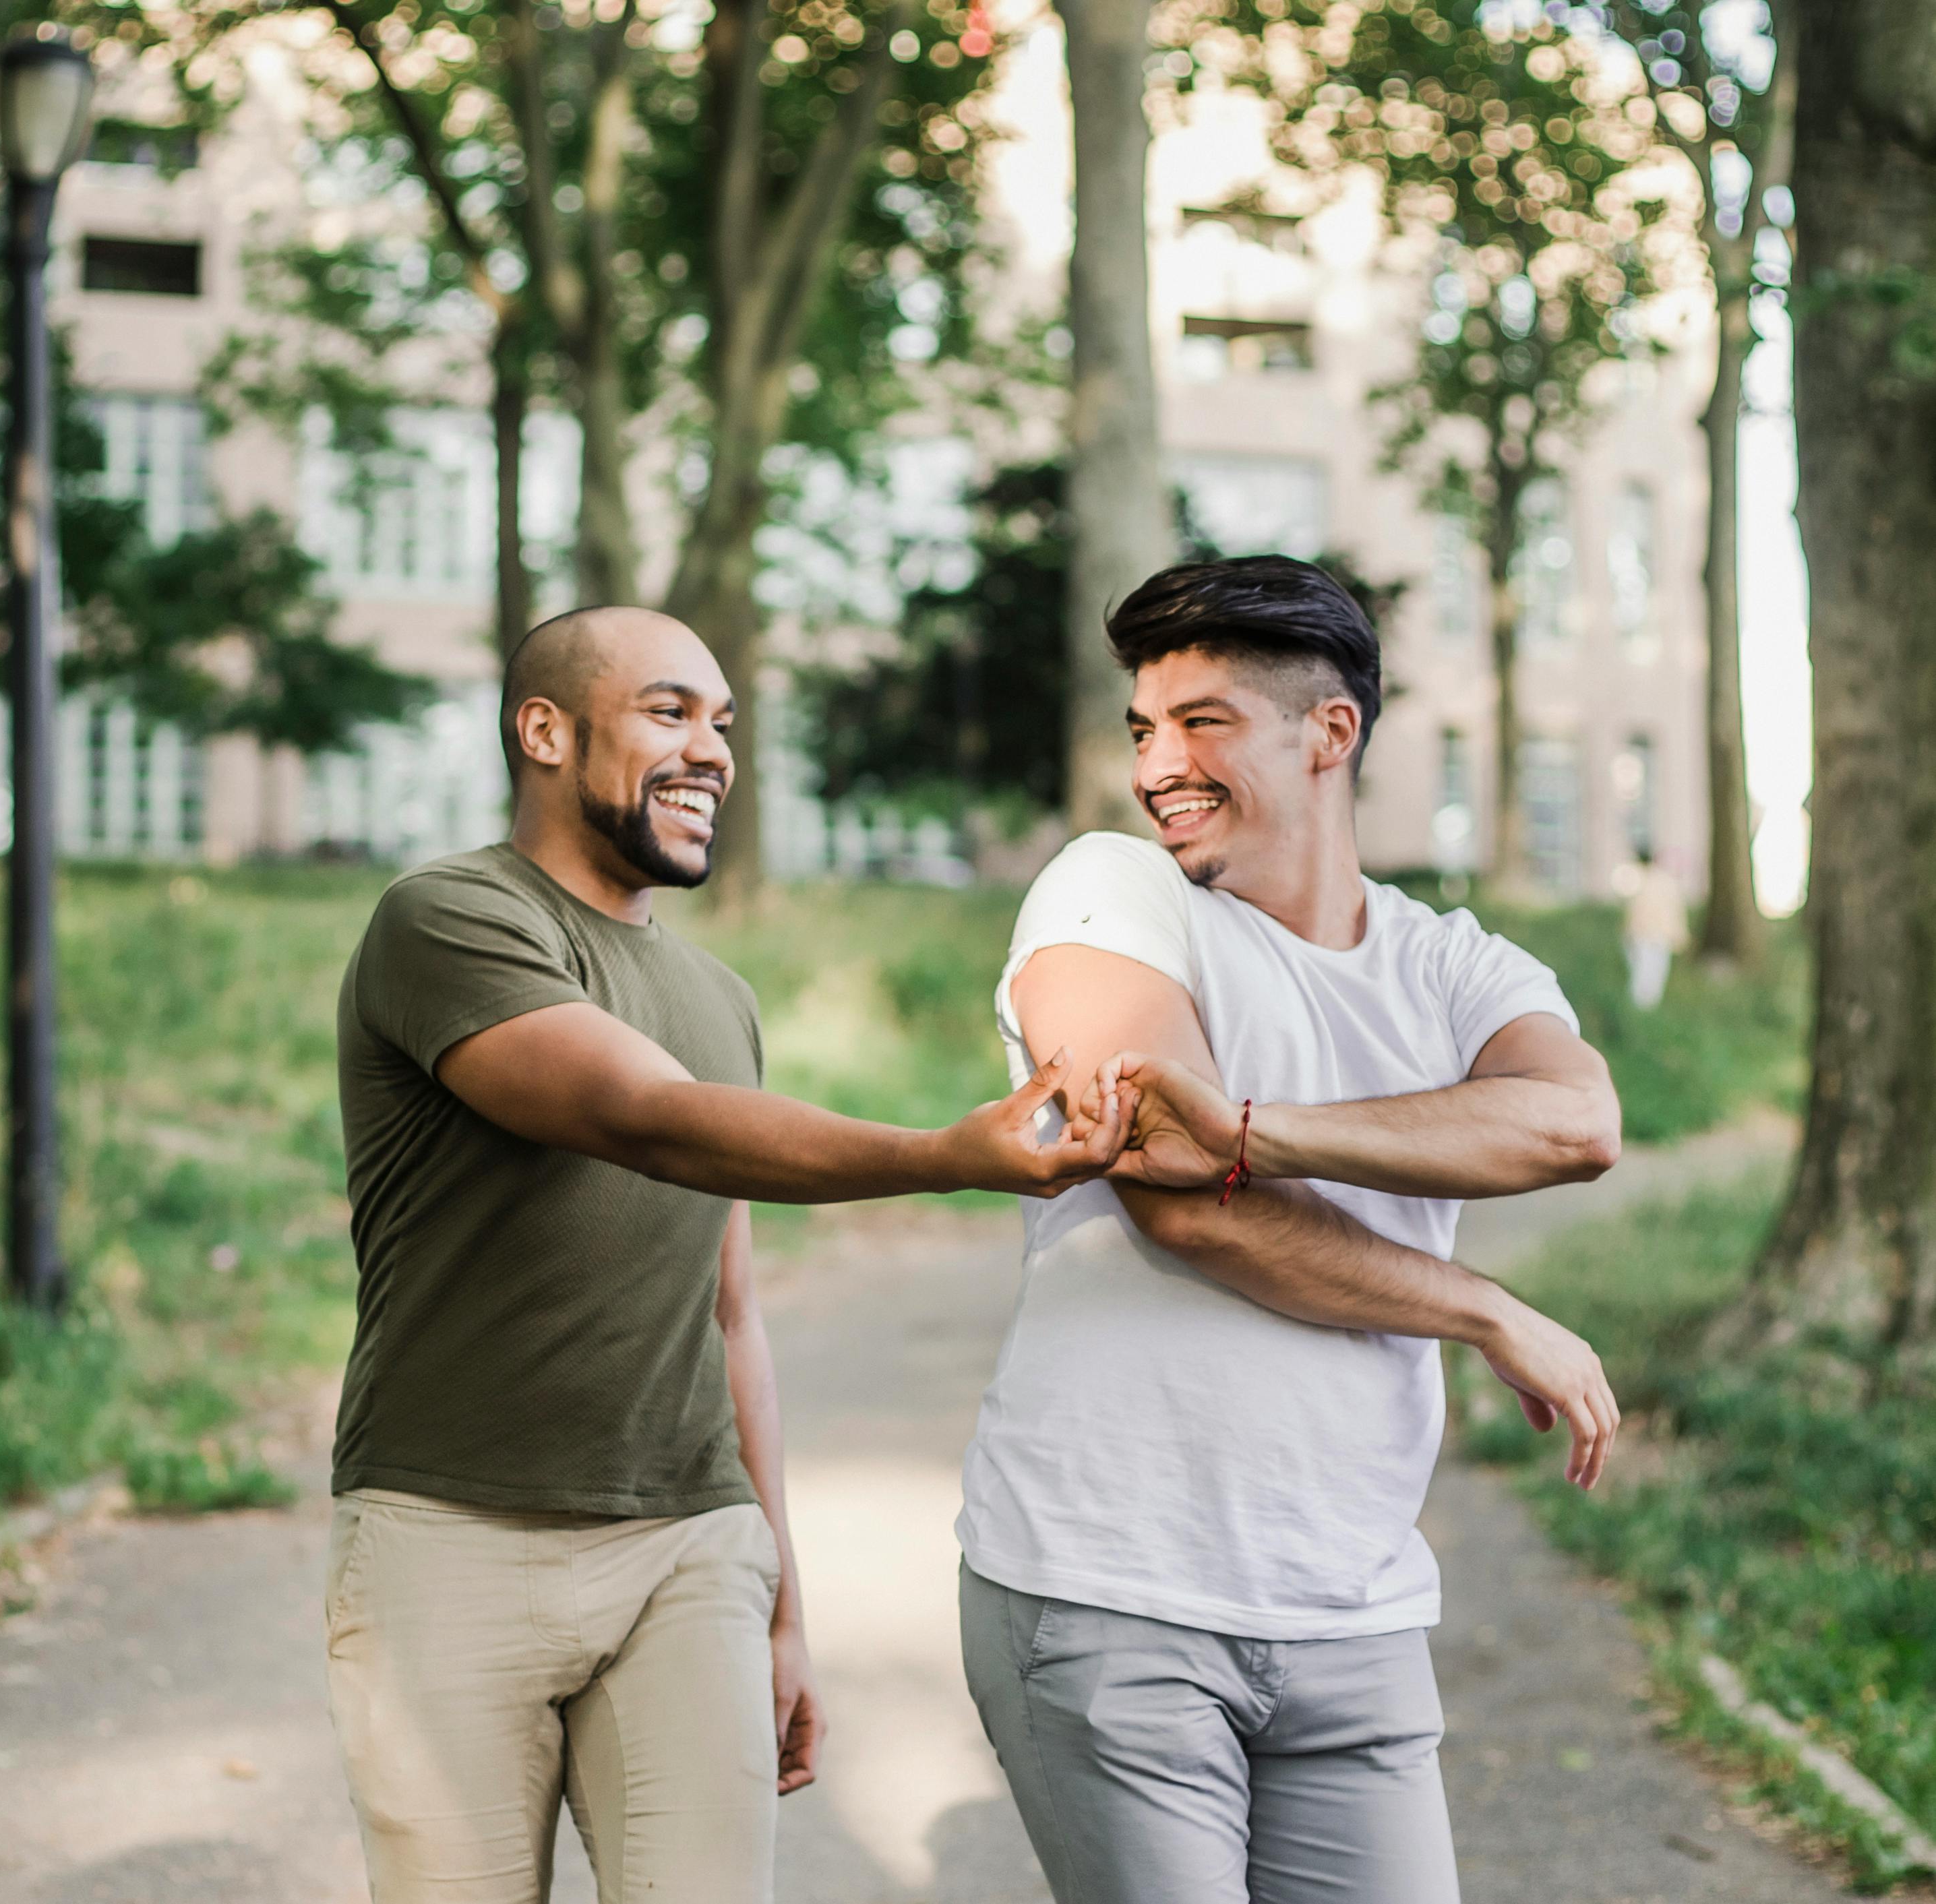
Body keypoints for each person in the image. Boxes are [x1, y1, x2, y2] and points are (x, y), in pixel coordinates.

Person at [327, 605, 1131, 1904]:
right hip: (447, 1537)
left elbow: (730, 1314)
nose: (712, 750)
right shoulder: (448, 918)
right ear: (545, 729)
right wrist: (946, 1152)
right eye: (668, 712)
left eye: (724, 723)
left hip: (688, 1549)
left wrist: (782, 1599)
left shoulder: (719, 1000)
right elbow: (644, 1120)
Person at [959, 557, 1625, 1904]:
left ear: (1330, 731)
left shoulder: (1456, 961)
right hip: (1112, 1589)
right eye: (1145, 727)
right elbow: (1173, 1186)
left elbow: (1572, 1121)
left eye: (1204, 720)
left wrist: (1259, 1130)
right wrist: (1482, 1304)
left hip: (1352, 1604)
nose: (1159, 763)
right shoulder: (1111, 894)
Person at [1622, 847, 1688, 1009]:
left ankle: (1642, 1009)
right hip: (1653, 935)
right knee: (1650, 975)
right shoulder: (1665, 884)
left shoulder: (1646, 880)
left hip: (1646, 935)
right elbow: (1673, 915)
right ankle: (1643, 1009)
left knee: (1646, 974)